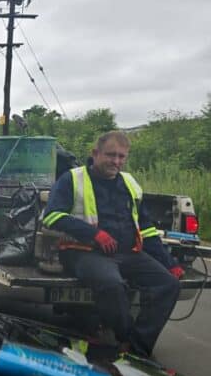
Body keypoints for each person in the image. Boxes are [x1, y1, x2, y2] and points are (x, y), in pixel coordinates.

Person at [42, 131, 182, 358]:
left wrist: (169, 262)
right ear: (95, 153)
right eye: (110, 155)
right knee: (112, 285)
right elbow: (50, 217)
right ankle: (126, 338)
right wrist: (94, 234)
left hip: (127, 253)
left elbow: (145, 227)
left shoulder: (129, 183)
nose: (116, 162)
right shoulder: (72, 178)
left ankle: (136, 349)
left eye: (121, 157)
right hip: (84, 252)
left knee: (169, 285)